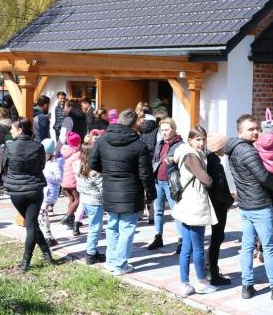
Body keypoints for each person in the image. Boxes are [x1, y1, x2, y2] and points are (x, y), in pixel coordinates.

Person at [225, 114, 273, 300]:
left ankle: (247, 286)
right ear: (240, 132)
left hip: (245, 205)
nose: (255, 132)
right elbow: (264, 178)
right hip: (260, 205)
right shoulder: (248, 151)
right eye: (250, 129)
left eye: (257, 128)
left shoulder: (234, 149)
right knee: (269, 247)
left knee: (247, 246)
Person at [89, 108, 155, 276]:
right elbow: (145, 174)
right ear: (134, 124)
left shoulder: (102, 140)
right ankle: (119, 264)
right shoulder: (139, 145)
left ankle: (112, 261)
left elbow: (93, 163)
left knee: (112, 226)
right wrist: (151, 194)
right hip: (131, 192)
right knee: (126, 228)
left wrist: (108, 171)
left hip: (110, 189)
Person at [2, 118, 63, 272]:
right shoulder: (38, 146)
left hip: (16, 191)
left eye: (13, 128)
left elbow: (4, 166)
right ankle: (45, 255)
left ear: (20, 129)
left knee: (31, 224)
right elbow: (42, 165)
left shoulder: (10, 147)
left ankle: (26, 262)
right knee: (32, 224)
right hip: (35, 189)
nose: (10, 131)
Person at [172, 125, 218, 296]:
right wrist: (211, 180)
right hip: (195, 204)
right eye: (198, 139)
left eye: (204, 139)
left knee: (187, 246)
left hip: (186, 203)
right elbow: (206, 180)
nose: (201, 143)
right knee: (197, 247)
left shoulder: (184, 152)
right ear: (190, 140)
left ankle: (184, 284)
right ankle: (201, 282)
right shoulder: (192, 156)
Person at [147, 117, 184, 252]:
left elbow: (185, 162)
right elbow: (155, 160)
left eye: (167, 130)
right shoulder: (160, 143)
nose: (164, 132)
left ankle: (182, 240)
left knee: (177, 212)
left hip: (171, 183)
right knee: (158, 211)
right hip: (158, 182)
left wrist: (175, 160)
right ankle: (158, 237)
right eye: (162, 130)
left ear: (174, 129)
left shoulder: (180, 145)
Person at [205, 133, 233, 285]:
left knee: (216, 238)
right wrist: (230, 200)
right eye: (224, 145)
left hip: (214, 205)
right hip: (218, 207)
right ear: (218, 147)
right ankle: (213, 273)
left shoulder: (209, 161)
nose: (226, 147)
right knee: (217, 238)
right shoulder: (215, 165)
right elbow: (218, 190)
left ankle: (209, 268)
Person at [75, 140, 105, 264]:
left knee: (93, 227)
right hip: (95, 202)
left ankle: (93, 250)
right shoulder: (95, 171)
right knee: (95, 229)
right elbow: (102, 189)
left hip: (85, 200)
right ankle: (91, 254)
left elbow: (78, 187)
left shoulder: (78, 166)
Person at [40, 138, 62, 247]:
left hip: (50, 193)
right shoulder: (44, 162)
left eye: (45, 154)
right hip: (43, 192)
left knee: (41, 214)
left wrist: (46, 175)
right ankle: (48, 236)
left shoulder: (55, 164)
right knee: (43, 215)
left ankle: (48, 237)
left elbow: (59, 179)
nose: (43, 156)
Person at [59, 132, 82, 234]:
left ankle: (70, 220)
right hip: (72, 181)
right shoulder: (78, 154)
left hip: (64, 181)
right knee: (78, 200)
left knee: (71, 199)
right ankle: (67, 217)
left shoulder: (63, 151)